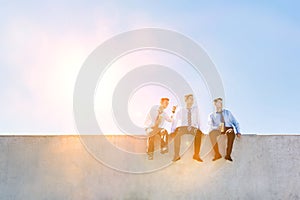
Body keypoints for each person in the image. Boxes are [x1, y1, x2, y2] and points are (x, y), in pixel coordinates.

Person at [171, 94, 203, 162]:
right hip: (184, 127)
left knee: (198, 134)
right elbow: (175, 120)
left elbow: (199, 120)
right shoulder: (181, 110)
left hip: (193, 127)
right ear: (186, 100)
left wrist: (200, 129)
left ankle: (196, 155)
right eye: (190, 99)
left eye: (193, 99)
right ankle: (176, 155)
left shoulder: (196, 110)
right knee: (177, 134)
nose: (192, 101)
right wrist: (172, 130)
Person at [208, 97, 241, 162]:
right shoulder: (212, 115)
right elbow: (210, 125)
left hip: (228, 128)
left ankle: (228, 155)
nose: (221, 104)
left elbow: (235, 122)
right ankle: (217, 154)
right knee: (211, 134)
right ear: (215, 104)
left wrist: (238, 131)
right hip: (218, 129)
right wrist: (217, 127)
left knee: (231, 133)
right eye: (219, 102)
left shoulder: (227, 112)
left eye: (221, 102)